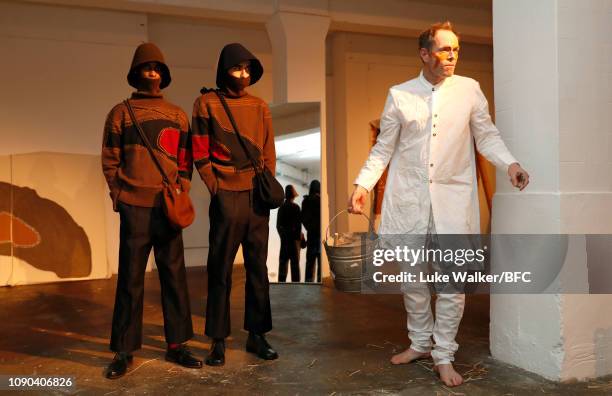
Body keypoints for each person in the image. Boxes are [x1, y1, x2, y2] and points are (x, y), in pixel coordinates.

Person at [348, 22, 529, 387]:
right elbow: (384, 147)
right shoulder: (400, 94)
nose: (452, 56)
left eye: (456, 50)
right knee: (412, 280)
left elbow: (486, 134)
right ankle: (419, 343)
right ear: (425, 53)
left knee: (452, 283)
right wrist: (362, 184)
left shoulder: (469, 90)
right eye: (445, 49)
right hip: (410, 200)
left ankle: (444, 354)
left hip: (453, 200)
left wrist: (509, 163)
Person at [101, 42, 202, 379]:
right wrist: (119, 195)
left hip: (167, 207)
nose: (152, 73)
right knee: (130, 280)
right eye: (147, 68)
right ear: (136, 73)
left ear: (164, 75)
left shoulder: (177, 114)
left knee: (174, 277)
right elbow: (110, 158)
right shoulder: (120, 113)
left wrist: (182, 188)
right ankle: (124, 350)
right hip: (134, 206)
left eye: (157, 68)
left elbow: (186, 159)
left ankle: (177, 345)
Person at [192, 43, 279, 366]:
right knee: (220, 269)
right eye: (236, 69)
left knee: (258, 269)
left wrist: (264, 183)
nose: (243, 75)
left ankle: (258, 335)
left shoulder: (259, 106)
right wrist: (216, 187)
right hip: (226, 196)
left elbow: (269, 150)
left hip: (256, 197)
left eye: (247, 70)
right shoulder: (206, 104)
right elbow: (199, 150)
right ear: (223, 69)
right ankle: (217, 339)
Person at [277, 185, 302, 283]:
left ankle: (281, 288)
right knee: (295, 268)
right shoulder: (296, 208)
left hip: (284, 242)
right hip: (294, 242)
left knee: (283, 266)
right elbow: (298, 227)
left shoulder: (281, 208)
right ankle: (295, 290)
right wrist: (298, 239)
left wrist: (283, 237)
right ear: (293, 195)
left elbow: (278, 226)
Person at [301, 180, 321, 283]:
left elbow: (303, 218)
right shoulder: (320, 201)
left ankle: (308, 285)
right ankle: (320, 285)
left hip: (311, 235)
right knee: (321, 265)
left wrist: (309, 228)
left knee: (310, 263)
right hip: (320, 236)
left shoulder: (306, 201)